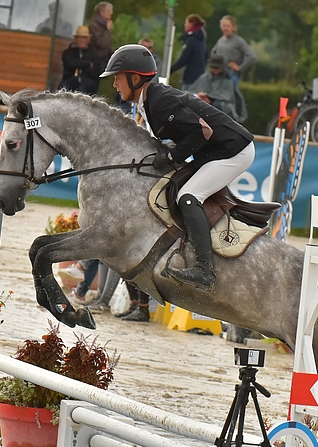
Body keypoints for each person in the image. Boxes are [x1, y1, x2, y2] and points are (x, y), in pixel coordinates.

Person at [100, 44, 256, 292]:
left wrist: (172, 155)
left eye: (117, 78)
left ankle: (205, 270)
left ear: (135, 77)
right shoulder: (150, 100)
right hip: (214, 149)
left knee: (188, 197)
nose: (114, 85)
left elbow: (203, 131)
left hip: (233, 150)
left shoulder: (160, 101)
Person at [185, 54, 243, 122]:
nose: (214, 70)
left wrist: (210, 99)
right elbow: (192, 91)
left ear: (222, 67)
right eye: (212, 67)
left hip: (221, 106)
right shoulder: (204, 78)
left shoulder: (227, 80)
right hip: (201, 102)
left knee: (217, 106)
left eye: (217, 67)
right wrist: (201, 96)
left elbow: (227, 96)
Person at [210, 15, 256, 86]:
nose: (226, 28)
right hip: (219, 74)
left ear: (233, 27)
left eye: (228, 26)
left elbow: (251, 56)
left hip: (231, 75)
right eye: (223, 26)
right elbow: (213, 52)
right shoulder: (220, 40)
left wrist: (240, 67)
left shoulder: (238, 41)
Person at [58, 25, 103, 94]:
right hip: (69, 80)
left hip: (87, 82)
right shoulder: (68, 52)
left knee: (81, 92)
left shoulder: (94, 55)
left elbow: (97, 71)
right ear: (75, 39)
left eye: (84, 38)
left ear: (88, 39)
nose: (82, 40)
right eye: (79, 37)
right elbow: (70, 63)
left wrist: (79, 65)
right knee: (62, 91)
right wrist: (87, 63)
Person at [170, 14, 207, 88]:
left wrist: (170, 69)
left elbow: (184, 59)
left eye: (186, 23)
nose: (185, 25)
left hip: (190, 77)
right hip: (199, 77)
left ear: (191, 24)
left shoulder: (191, 41)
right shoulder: (201, 40)